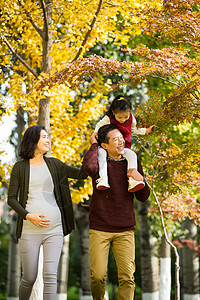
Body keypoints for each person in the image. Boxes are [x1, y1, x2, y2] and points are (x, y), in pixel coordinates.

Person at [7, 125, 87, 300]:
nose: (47, 139)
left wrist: (95, 149)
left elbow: (82, 174)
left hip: (54, 228)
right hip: (29, 230)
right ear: (32, 140)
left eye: (47, 136)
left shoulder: (55, 164)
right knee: (29, 278)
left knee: (50, 276)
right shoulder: (19, 168)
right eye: (43, 136)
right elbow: (11, 198)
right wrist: (29, 216)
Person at [82, 124, 150, 300]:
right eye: (115, 139)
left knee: (127, 278)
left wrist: (141, 180)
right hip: (99, 228)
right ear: (104, 145)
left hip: (125, 229)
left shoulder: (131, 162)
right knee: (97, 276)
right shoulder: (99, 163)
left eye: (121, 137)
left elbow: (143, 196)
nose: (121, 141)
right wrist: (94, 145)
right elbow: (88, 169)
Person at [90, 95, 155, 192]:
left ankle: (133, 180)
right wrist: (95, 134)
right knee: (101, 154)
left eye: (125, 117)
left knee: (132, 155)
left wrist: (147, 130)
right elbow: (99, 125)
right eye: (119, 117)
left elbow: (134, 130)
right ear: (113, 112)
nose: (123, 120)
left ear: (129, 113)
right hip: (108, 146)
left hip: (124, 147)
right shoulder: (109, 118)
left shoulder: (131, 119)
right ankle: (103, 179)